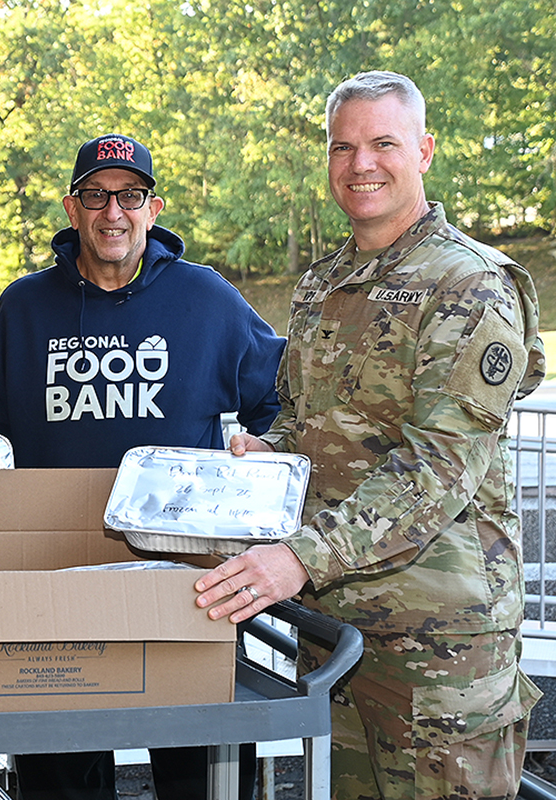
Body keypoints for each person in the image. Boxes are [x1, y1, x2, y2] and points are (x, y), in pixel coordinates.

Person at [193, 71, 545, 800]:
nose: (361, 164)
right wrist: (273, 451)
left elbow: (439, 467)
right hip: (335, 627)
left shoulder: (470, 284)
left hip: (439, 642)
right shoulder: (324, 283)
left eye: (383, 143)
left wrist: (298, 557)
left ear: (424, 150)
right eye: (342, 146)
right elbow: (307, 416)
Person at [0, 134, 283, 800]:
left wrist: (266, 451)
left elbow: (281, 398)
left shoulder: (208, 301)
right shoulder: (21, 311)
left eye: (130, 196)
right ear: (72, 208)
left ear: (153, 206)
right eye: (96, 196)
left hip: (188, 585)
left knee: (202, 778)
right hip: (54, 586)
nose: (113, 212)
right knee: (60, 781)